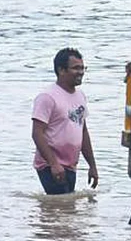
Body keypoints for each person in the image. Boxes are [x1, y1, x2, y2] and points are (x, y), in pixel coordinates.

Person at [32, 48, 99, 195]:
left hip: (70, 165)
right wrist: (54, 164)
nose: (81, 72)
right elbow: (37, 133)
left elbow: (83, 131)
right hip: (50, 166)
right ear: (61, 70)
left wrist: (92, 166)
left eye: (83, 68)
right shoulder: (47, 97)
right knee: (60, 207)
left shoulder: (80, 96)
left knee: (66, 210)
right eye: (76, 68)